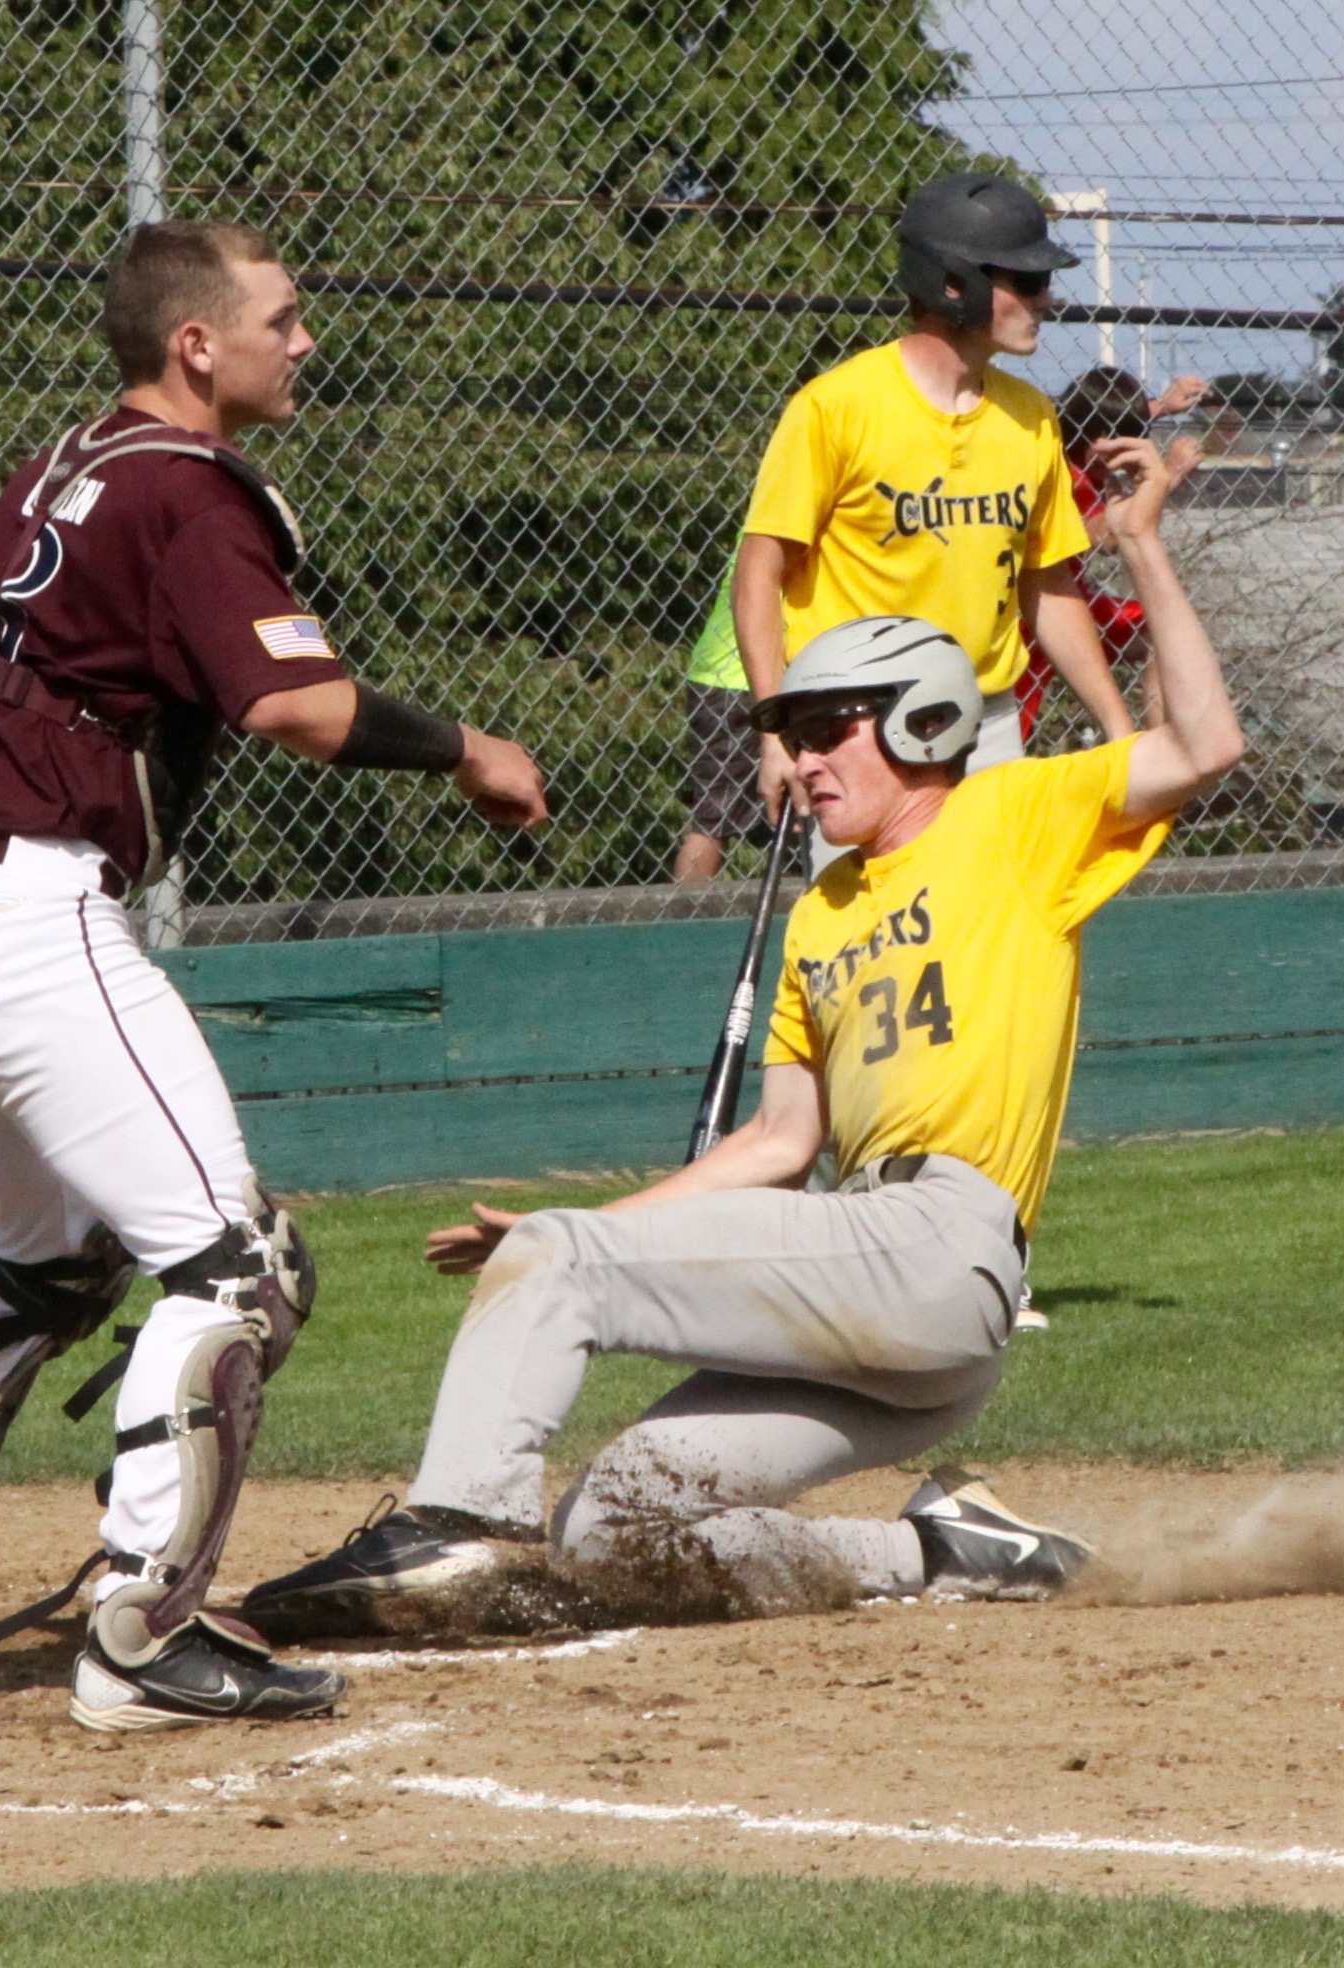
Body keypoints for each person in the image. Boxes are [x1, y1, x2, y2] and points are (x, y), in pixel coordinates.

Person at [238, 435, 1240, 1638]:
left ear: (924, 721)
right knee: (616, 1532)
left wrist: (1139, 549)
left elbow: (1205, 748)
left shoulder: (1012, 816)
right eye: (794, 733)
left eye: (829, 730)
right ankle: (935, 1550)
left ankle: (457, 1532)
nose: (802, 760)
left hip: (938, 1244)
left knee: (552, 1269)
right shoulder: (821, 914)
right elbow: (777, 1140)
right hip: (884, 1286)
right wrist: (590, 1232)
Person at [0, 219, 548, 1731]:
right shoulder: (187, 488)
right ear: (198, 345)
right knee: (238, 1265)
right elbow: (293, 707)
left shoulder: (70, 459)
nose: (302, 341)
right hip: (27, 910)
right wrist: (470, 751)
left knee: (51, 1258)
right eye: (282, 315)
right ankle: (140, 1631)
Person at [733, 174, 1136, 830]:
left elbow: (1048, 583)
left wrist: (1118, 728)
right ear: (956, 281)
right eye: (1026, 282)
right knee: (868, 931)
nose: (1046, 298)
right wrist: (774, 730)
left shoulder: (1031, 417)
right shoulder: (835, 408)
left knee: (993, 925)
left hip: (988, 723)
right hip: (858, 728)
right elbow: (759, 571)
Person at [1017, 367, 1211, 744]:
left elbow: (1101, 419)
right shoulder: (1065, 471)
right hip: (1038, 603)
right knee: (1014, 717)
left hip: (1074, 596)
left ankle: (1165, 744)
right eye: (1112, 441)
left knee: (1159, 633)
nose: (1121, 451)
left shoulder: (1087, 456)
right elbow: (1102, 536)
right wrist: (1168, 477)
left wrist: (1162, 406)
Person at [673, 561, 767, 882]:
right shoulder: (781, 523)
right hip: (733, 682)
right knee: (714, 819)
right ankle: (685, 922)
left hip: (763, 681)